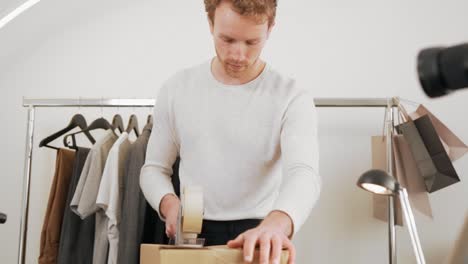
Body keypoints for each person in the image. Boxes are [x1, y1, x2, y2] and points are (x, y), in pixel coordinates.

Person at [140, 1, 321, 263]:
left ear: (270, 28)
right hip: (190, 234)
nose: (237, 55)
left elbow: (304, 174)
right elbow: (153, 169)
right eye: (227, 39)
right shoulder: (177, 89)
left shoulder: (291, 96)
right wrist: (168, 204)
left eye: (251, 42)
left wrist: (277, 224)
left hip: (261, 234)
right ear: (210, 23)